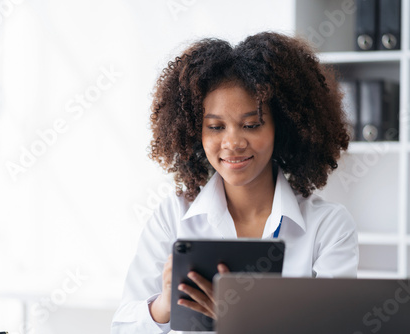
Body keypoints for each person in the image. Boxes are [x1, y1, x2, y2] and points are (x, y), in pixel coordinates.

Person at [111, 31, 359, 334]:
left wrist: (241, 319)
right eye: (215, 127)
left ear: (283, 127)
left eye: (251, 125)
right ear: (194, 132)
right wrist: (163, 306)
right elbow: (122, 327)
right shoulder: (172, 217)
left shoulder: (328, 227)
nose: (232, 143)